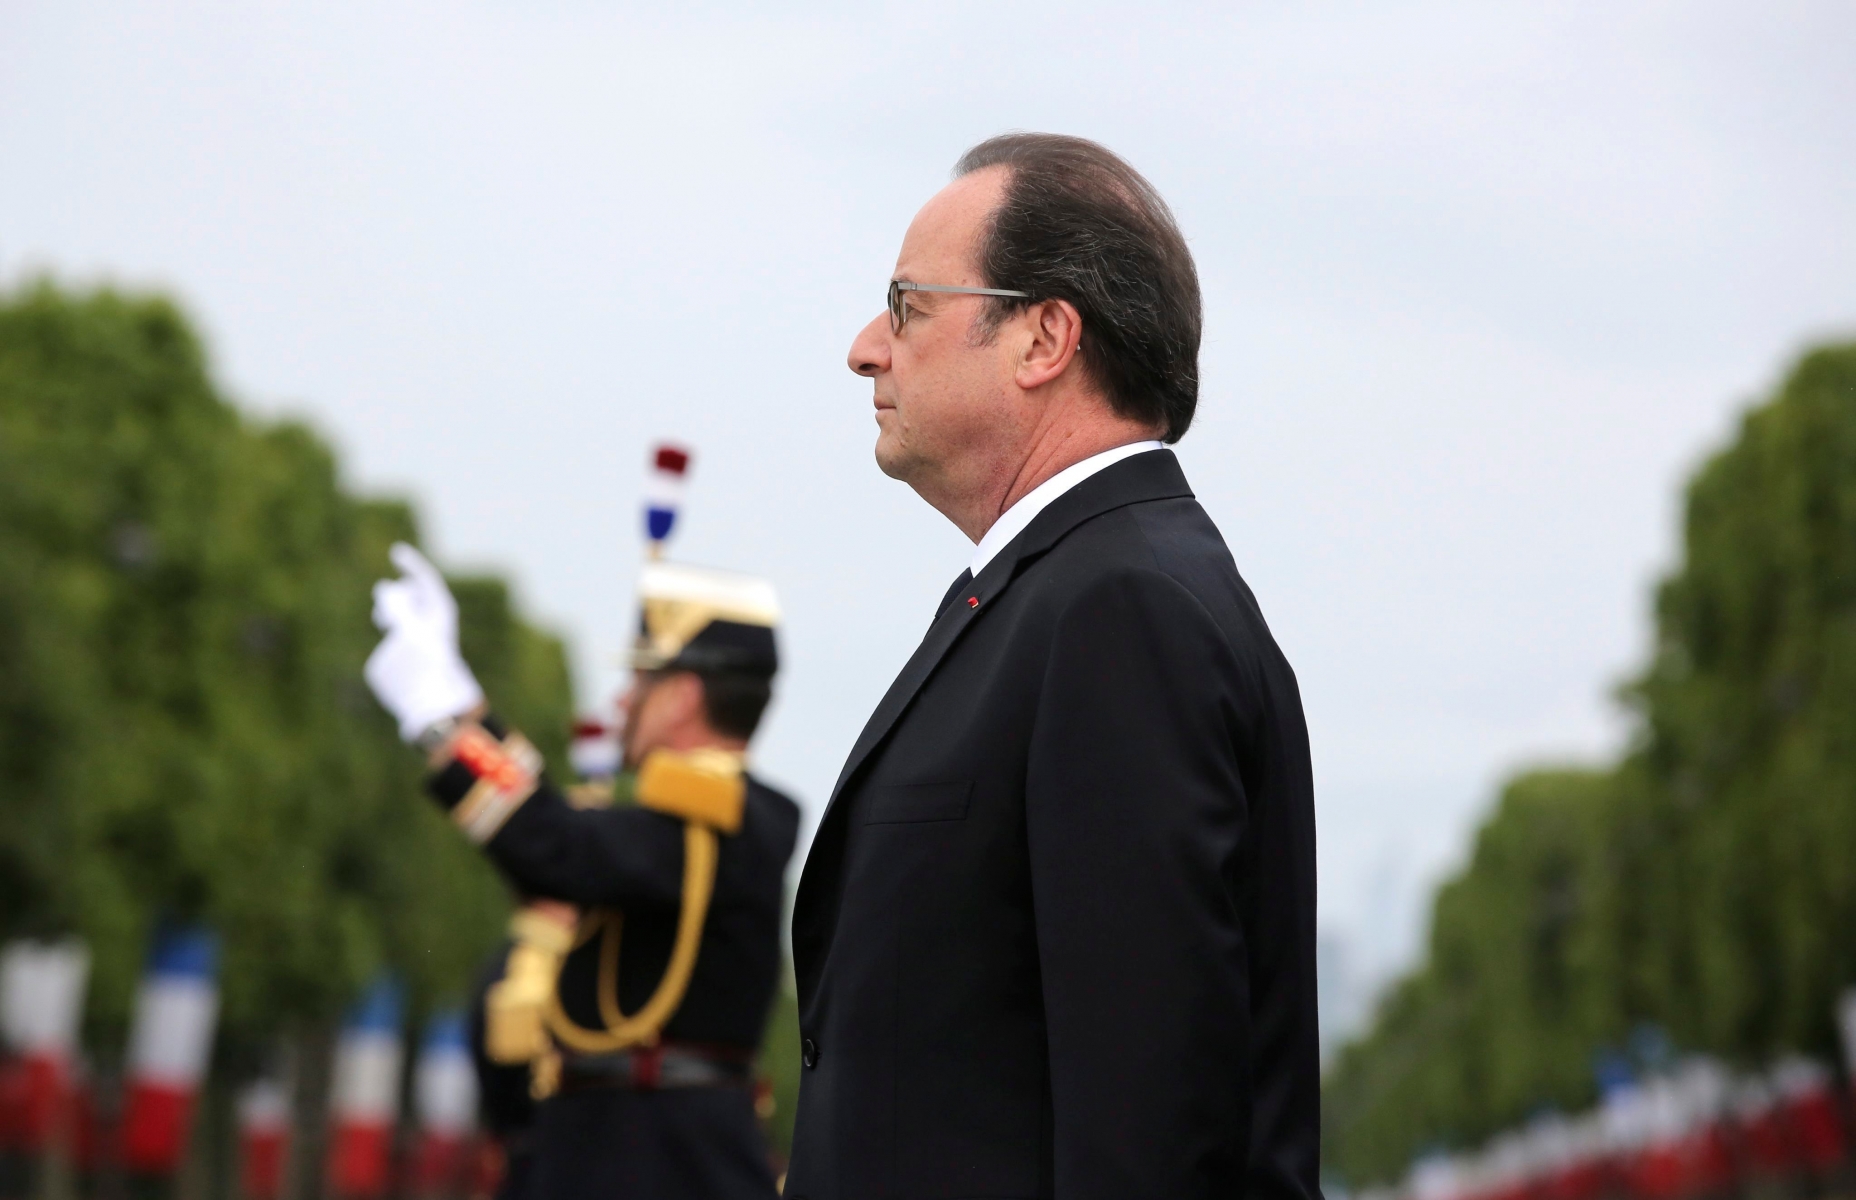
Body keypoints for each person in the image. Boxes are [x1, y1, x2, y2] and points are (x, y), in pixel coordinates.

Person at [785, 133, 1321, 1200]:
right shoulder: (1069, 592)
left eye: (905, 307)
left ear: (1041, 338)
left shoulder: (1117, 612)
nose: (863, 348)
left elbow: (1149, 1134)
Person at [365, 549, 800, 1199]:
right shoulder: (691, 821)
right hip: (626, 1151)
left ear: (682, 696)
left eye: (642, 681)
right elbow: (562, 833)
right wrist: (466, 709)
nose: (623, 699)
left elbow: (554, 845)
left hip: (660, 1162)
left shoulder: (726, 817)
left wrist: (440, 713)